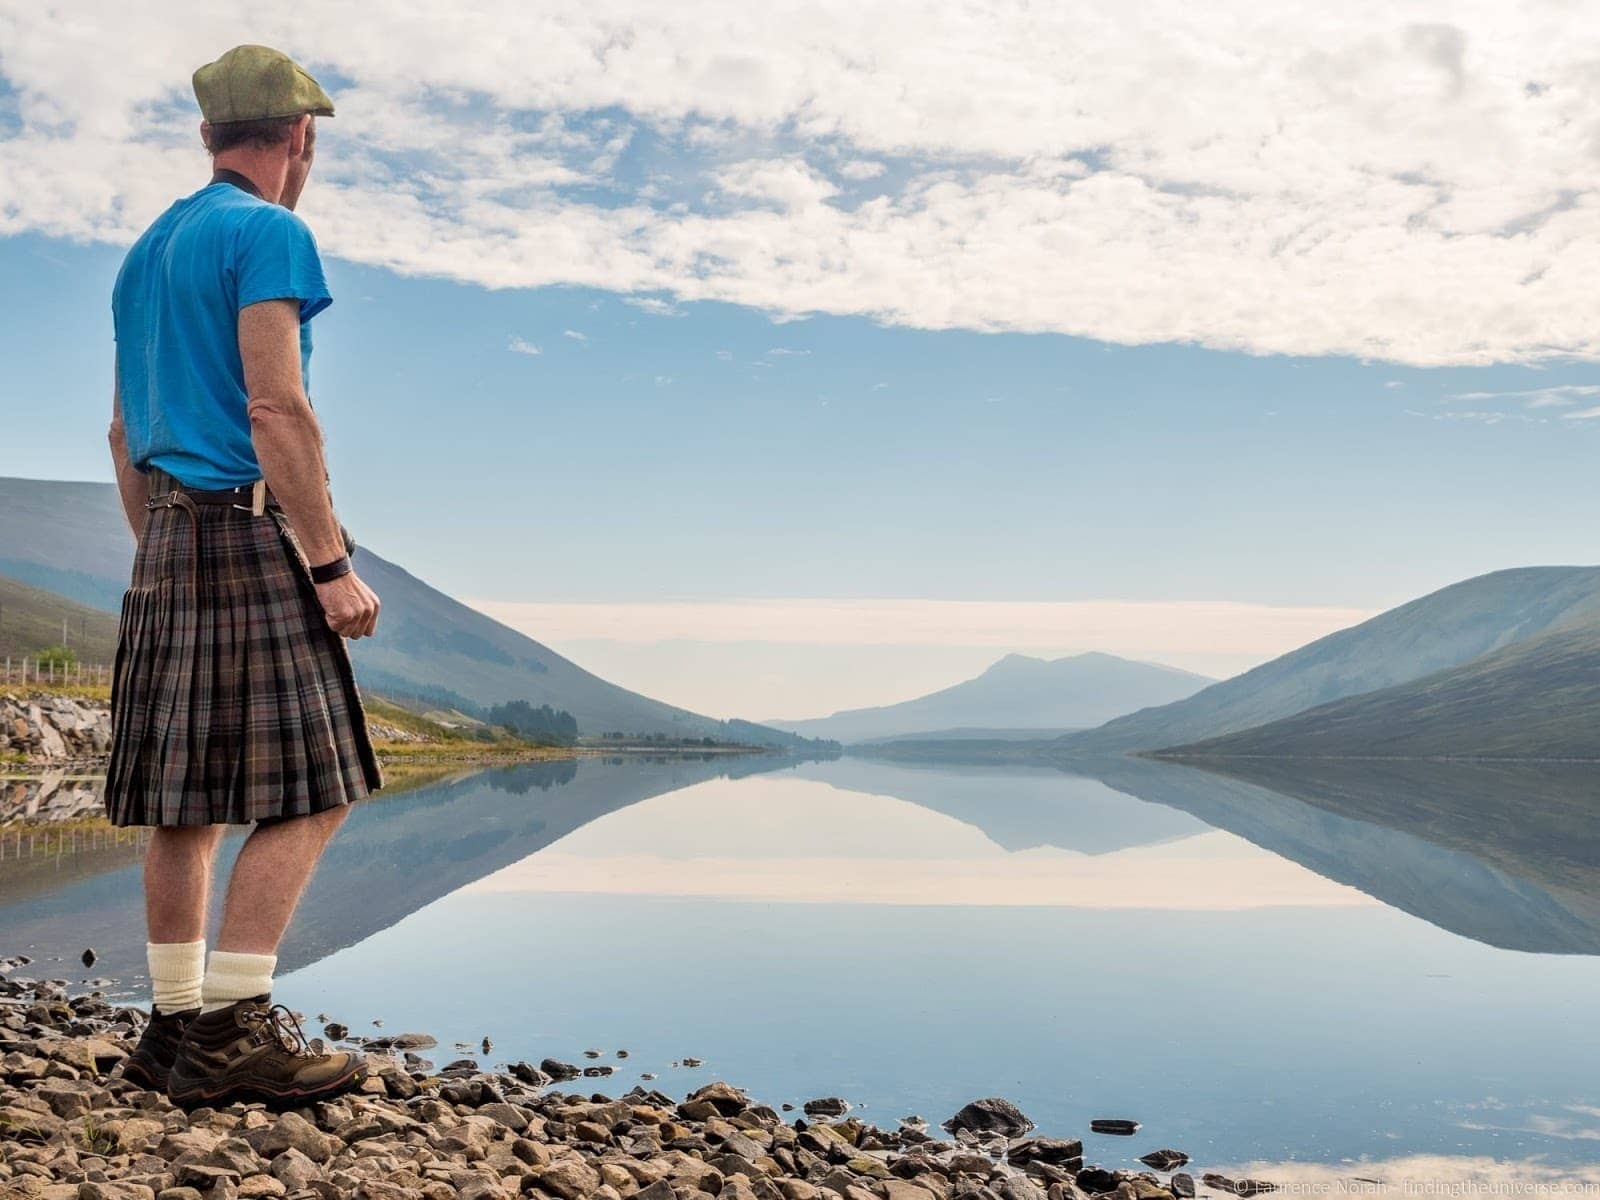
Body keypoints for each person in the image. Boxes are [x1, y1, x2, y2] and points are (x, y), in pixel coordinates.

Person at [105, 44, 384, 1107]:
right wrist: (329, 564)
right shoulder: (269, 232)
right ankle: (235, 1024)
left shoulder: (146, 253)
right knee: (322, 786)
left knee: (186, 802)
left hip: (167, 536)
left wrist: (157, 546)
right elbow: (276, 406)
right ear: (297, 138)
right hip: (245, 528)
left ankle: (174, 1029)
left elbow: (126, 428)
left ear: (209, 134)